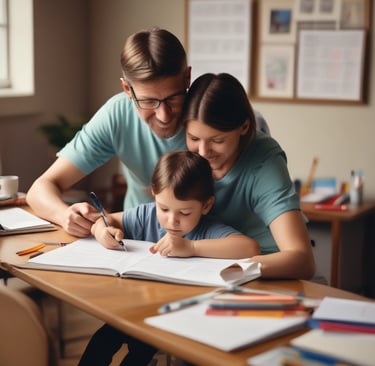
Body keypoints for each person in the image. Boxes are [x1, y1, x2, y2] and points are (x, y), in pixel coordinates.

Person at [79, 150, 260, 366]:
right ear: (154, 194)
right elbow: (106, 220)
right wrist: (100, 230)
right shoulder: (145, 215)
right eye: (164, 208)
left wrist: (191, 246)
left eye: (184, 213)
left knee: (140, 351)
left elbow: (249, 247)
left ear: (206, 205)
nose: (172, 221)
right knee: (102, 340)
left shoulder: (207, 229)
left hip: (175, 320)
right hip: (133, 309)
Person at [26, 27, 191, 237]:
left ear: (187, 78)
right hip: (135, 242)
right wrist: (65, 215)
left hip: (206, 246)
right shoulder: (117, 114)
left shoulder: (211, 116)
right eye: (148, 101)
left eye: (173, 98)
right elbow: (40, 188)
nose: (164, 115)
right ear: (127, 90)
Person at [181, 72, 315, 279]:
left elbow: (302, 260)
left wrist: (230, 268)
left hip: (267, 273)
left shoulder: (264, 161)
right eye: (194, 138)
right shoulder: (184, 153)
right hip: (204, 268)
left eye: (217, 140)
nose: (203, 151)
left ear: (244, 126)